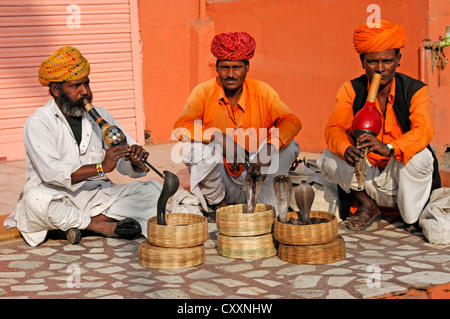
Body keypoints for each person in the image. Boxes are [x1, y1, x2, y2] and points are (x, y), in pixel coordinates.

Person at [4, 46, 164, 246]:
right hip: (56, 195)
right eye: (76, 86)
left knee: (153, 192)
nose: (85, 92)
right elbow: (52, 174)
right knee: (35, 201)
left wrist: (135, 160)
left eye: (87, 84)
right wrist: (101, 167)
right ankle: (99, 226)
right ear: (55, 90)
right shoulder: (38, 122)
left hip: (96, 196)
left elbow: (125, 166)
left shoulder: (102, 116)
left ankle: (76, 224)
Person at [317, 20, 441, 230]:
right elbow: (334, 128)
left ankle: (410, 215)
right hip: (366, 173)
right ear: (362, 60)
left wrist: (391, 148)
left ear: (398, 60)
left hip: (399, 173)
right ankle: (367, 205)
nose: (380, 69)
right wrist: (345, 148)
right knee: (329, 157)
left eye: (387, 61)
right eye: (373, 62)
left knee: (422, 156)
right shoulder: (350, 89)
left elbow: (423, 130)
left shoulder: (415, 89)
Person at [173, 32, 302, 219]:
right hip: (224, 181)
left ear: (247, 67)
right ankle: (220, 206)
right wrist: (219, 138)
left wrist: (269, 148)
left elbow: (292, 121)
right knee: (194, 150)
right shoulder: (203, 92)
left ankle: (265, 207)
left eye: (237, 67)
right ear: (217, 68)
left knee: (290, 146)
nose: (231, 74)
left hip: (257, 173)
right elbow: (180, 127)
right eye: (225, 67)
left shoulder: (262, 91)